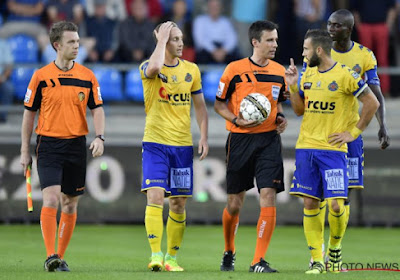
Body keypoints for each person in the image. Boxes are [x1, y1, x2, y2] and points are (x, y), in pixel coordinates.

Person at [286, 29, 380, 274]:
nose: (303, 54)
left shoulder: (346, 76)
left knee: (336, 206)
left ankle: (334, 252)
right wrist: (293, 87)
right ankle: (317, 260)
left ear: (318, 50)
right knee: (309, 202)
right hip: (306, 147)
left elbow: (372, 103)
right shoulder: (307, 75)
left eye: (306, 49)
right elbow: (298, 111)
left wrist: (354, 133)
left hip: (334, 151)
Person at [304, 9, 390, 265]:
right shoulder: (321, 51)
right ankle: (317, 254)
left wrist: (381, 124)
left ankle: (336, 249)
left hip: (349, 135)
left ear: (349, 28)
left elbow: (374, 94)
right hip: (319, 134)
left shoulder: (363, 56)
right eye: (329, 24)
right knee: (315, 195)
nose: (331, 29)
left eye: (337, 25)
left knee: (341, 198)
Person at [20, 21, 105, 272]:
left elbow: (97, 109)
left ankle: (60, 257)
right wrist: (25, 150)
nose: (77, 46)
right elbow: (29, 114)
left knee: (70, 203)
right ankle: (50, 255)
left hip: (77, 145)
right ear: (57, 45)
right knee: (52, 197)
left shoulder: (87, 76)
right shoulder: (41, 77)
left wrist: (100, 137)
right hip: (49, 144)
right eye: (71, 42)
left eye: (78, 42)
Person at [214, 20, 288, 273]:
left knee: (268, 195)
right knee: (235, 203)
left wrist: (280, 117)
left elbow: (278, 103)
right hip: (240, 139)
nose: (274, 45)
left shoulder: (280, 72)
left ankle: (258, 260)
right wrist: (236, 119)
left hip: (268, 140)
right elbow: (219, 104)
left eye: (276, 40)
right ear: (255, 42)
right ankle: (229, 249)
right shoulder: (234, 70)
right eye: (270, 40)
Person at [139, 21, 209, 272]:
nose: (180, 43)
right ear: (162, 41)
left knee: (178, 203)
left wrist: (203, 136)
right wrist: (160, 39)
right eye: (174, 39)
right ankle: (155, 254)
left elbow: (200, 106)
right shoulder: (148, 67)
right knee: (156, 196)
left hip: (181, 146)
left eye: (181, 38)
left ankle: (171, 258)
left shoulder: (192, 70)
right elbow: (157, 65)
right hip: (155, 143)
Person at [351, 0, 397, 95]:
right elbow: (355, 9)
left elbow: (392, 8)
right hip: (365, 26)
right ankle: (363, 90)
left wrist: (388, 25)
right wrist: (359, 26)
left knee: (382, 59)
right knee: (365, 60)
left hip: (381, 26)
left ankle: (384, 90)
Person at [0, 38, 14, 123]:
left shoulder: (3, 44)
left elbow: (9, 65)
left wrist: (3, 77)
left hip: (1, 78)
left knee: (8, 88)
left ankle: (2, 117)